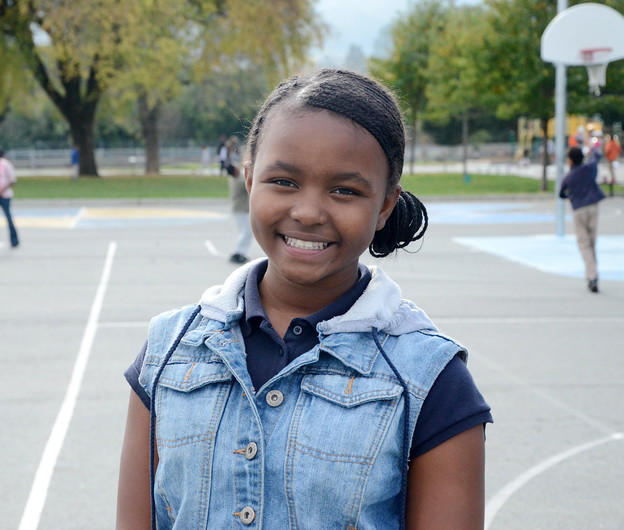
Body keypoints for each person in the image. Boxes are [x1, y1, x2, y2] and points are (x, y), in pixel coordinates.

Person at [117, 69, 492, 529]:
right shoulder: (168, 351)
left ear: (386, 206)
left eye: (344, 191)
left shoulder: (431, 380)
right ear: (250, 179)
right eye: (284, 181)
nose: (309, 212)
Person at [560, 146, 606, 293]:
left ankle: (592, 276)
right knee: (592, 242)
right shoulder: (589, 168)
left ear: (571, 160)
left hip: (579, 209)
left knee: (584, 244)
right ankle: (593, 274)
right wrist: (591, 146)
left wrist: (571, 197)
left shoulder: (569, 176)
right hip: (593, 206)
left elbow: (561, 193)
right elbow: (598, 155)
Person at [226, 137, 252, 264]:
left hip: (239, 209)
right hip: (241, 209)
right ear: (234, 171)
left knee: (245, 232)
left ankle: (241, 252)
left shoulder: (233, 178)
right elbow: (249, 179)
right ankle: (238, 252)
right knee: (246, 232)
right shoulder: (239, 181)